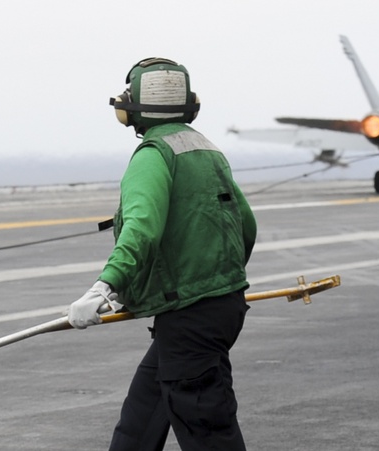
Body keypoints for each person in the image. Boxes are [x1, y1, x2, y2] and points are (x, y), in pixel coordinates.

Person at [67, 57, 257, 450]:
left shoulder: (152, 155)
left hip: (190, 320)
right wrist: (219, 283)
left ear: (132, 107)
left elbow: (142, 229)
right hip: (212, 311)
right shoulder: (206, 149)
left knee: (207, 428)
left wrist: (105, 286)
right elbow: (246, 225)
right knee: (141, 420)